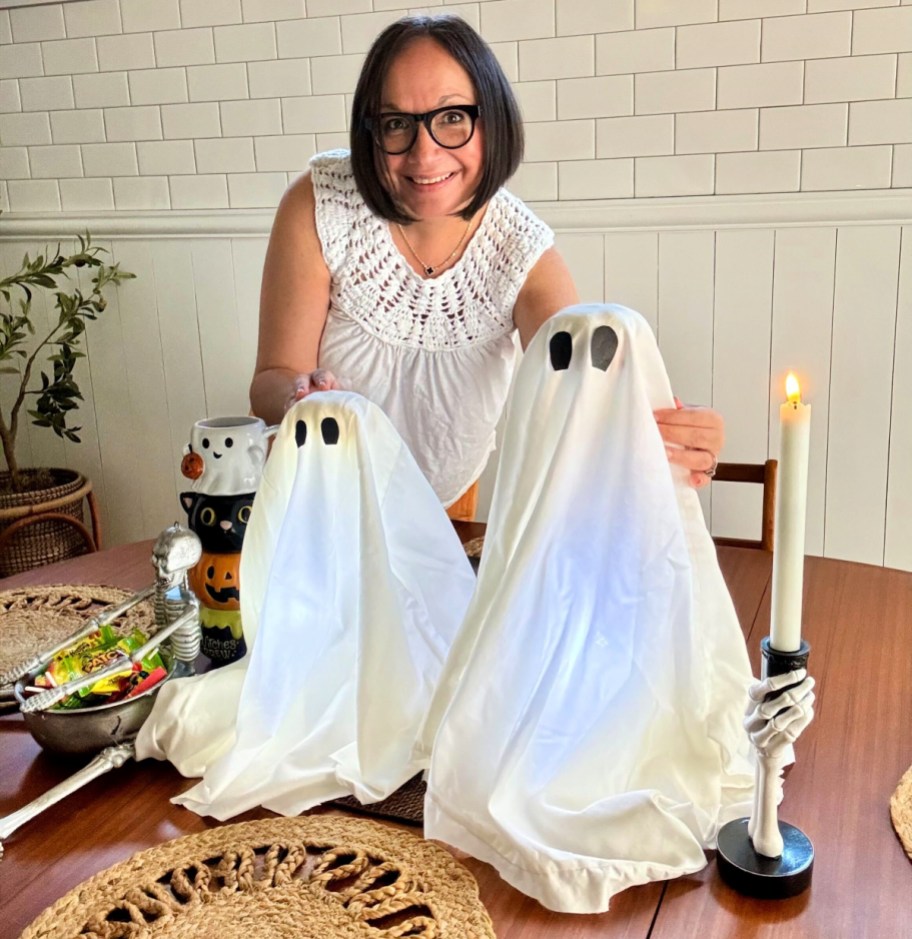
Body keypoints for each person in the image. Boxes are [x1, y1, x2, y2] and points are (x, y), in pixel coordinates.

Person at [249, 13, 723, 510]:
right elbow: (272, 376)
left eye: (452, 117)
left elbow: (588, 402)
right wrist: (296, 395)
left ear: (491, 119)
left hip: (448, 513)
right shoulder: (319, 204)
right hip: (318, 501)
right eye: (395, 124)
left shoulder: (523, 252)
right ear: (371, 134)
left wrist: (680, 436)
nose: (424, 155)